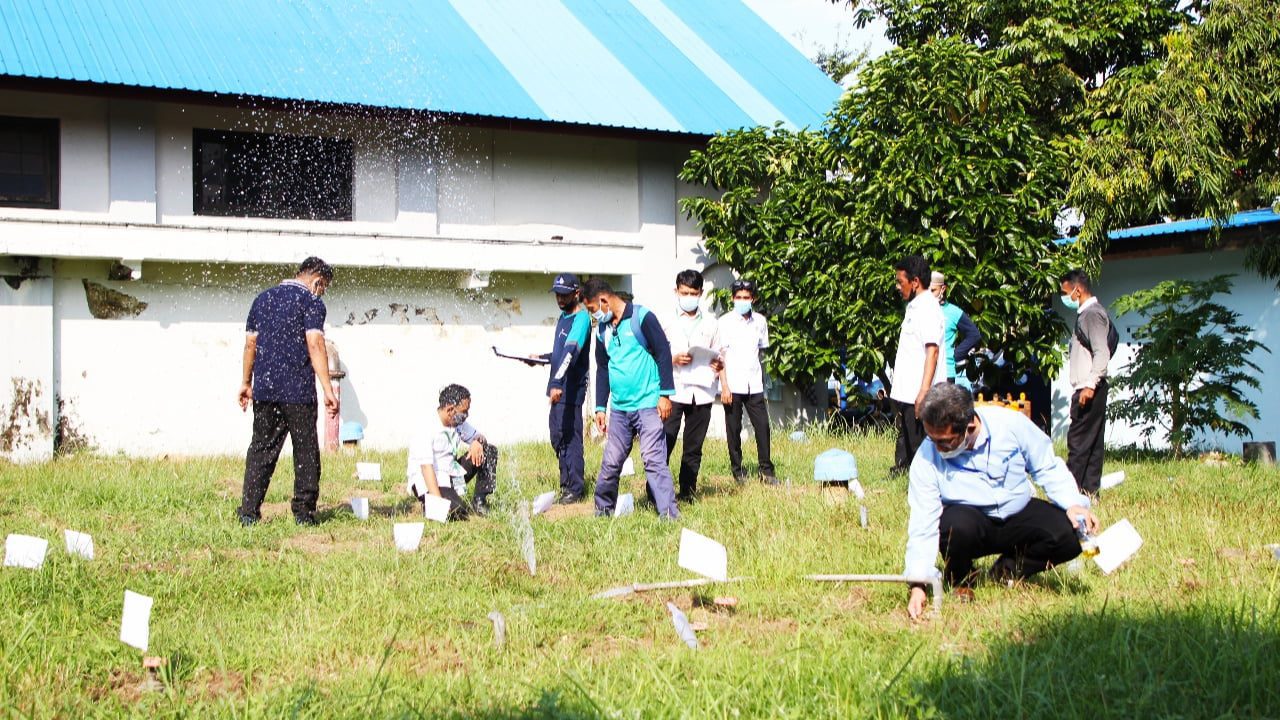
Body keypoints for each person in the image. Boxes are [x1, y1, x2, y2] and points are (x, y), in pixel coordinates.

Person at [904, 384, 1099, 618]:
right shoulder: (926, 458)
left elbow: (1046, 466)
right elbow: (922, 522)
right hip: (970, 520)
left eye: (944, 441)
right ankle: (961, 578)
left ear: (969, 426)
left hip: (1017, 511)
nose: (937, 447)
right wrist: (918, 584)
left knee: (1070, 534)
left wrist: (1072, 503)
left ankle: (1007, 571)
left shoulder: (1010, 424)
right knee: (954, 525)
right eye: (931, 438)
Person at [237, 257, 339, 527]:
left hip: (265, 389)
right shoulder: (312, 302)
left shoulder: (262, 299)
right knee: (305, 451)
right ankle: (303, 514)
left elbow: (250, 345)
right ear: (317, 281)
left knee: (261, 449)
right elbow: (315, 343)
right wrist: (328, 388)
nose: (322, 292)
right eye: (324, 287)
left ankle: (248, 512)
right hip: (298, 392)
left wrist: (246, 382)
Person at [582, 278, 680, 519]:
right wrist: (600, 407)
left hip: (647, 405)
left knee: (653, 460)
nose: (593, 316)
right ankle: (602, 512)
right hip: (620, 410)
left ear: (604, 300)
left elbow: (663, 353)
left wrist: (665, 395)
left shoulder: (642, 318)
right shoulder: (602, 331)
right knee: (611, 463)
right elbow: (603, 368)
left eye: (593, 310)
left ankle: (669, 516)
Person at [660, 269, 722, 502]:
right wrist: (673, 358)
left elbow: (719, 354)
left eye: (693, 293)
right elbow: (653, 352)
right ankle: (656, 490)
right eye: (684, 292)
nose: (689, 297)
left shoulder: (712, 323)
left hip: (702, 391)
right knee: (665, 440)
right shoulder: (665, 319)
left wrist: (717, 365)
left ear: (701, 293)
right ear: (676, 291)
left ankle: (687, 491)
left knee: (694, 446)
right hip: (674, 389)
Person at [1060, 269, 1116, 497]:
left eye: (1066, 292)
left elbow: (1101, 353)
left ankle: (1070, 495)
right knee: (1091, 445)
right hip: (1089, 386)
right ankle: (1089, 493)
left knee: (1079, 444)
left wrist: (1090, 385)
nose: (1065, 298)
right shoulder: (1087, 314)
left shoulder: (1091, 315)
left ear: (1078, 290)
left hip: (1088, 388)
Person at [406, 384, 499, 519]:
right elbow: (426, 467)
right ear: (450, 410)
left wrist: (477, 442)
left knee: (488, 450)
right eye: (464, 412)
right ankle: (429, 504)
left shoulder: (457, 423)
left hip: (450, 474)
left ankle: (480, 502)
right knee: (456, 511)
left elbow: (480, 437)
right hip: (428, 480)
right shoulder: (425, 428)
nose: (466, 416)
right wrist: (437, 503)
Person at [889, 256, 946, 475]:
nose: (897, 286)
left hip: (919, 396)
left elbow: (932, 351)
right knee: (913, 455)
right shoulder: (914, 307)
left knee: (924, 457)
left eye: (900, 281)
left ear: (914, 282)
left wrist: (923, 392)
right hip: (908, 395)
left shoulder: (928, 309)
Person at [717, 279, 777, 485]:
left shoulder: (760, 321)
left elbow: (760, 350)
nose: (742, 301)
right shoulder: (724, 323)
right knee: (733, 429)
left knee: (762, 427)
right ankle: (737, 471)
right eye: (739, 297)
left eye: (747, 297)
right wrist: (724, 385)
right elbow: (720, 356)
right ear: (733, 299)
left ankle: (767, 471)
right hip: (732, 384)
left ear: (753, 299)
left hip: (754, 384)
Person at [539, 272, 591, 504]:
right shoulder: (563, 317)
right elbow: (559, 354)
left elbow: (571, 353)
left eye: (564, 294)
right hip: (558, 389)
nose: (560, 299)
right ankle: (566, 482)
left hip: (569, 389)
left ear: (576, 293)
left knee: (570, 438)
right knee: (557, 436)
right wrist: (540, 358)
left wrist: (557, 383)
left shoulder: (581, 319)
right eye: (557, 294)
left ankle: (575, 488)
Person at [929, 272, 982, 389]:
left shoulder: (953, 312)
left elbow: (974, 335)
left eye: (933, 290)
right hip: (925, 373)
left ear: (943, 289)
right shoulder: (922, 310)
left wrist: (956, 355)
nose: (929, 295)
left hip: (945, 374)